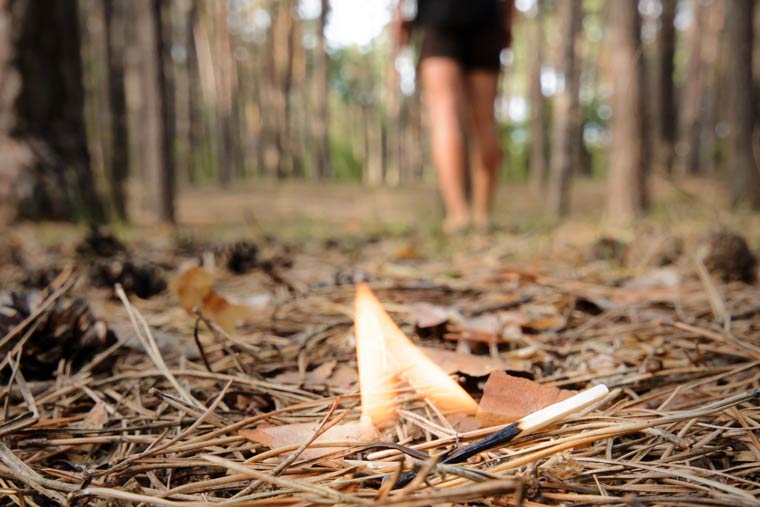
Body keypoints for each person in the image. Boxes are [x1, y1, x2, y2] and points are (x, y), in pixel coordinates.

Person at [393, 0, 515, 234]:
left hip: (440, 16)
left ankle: (458, 215)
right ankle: (482, 214)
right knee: (485, 119)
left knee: (444, 115)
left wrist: (399, 16)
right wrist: (507, 22)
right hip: (487, 18)